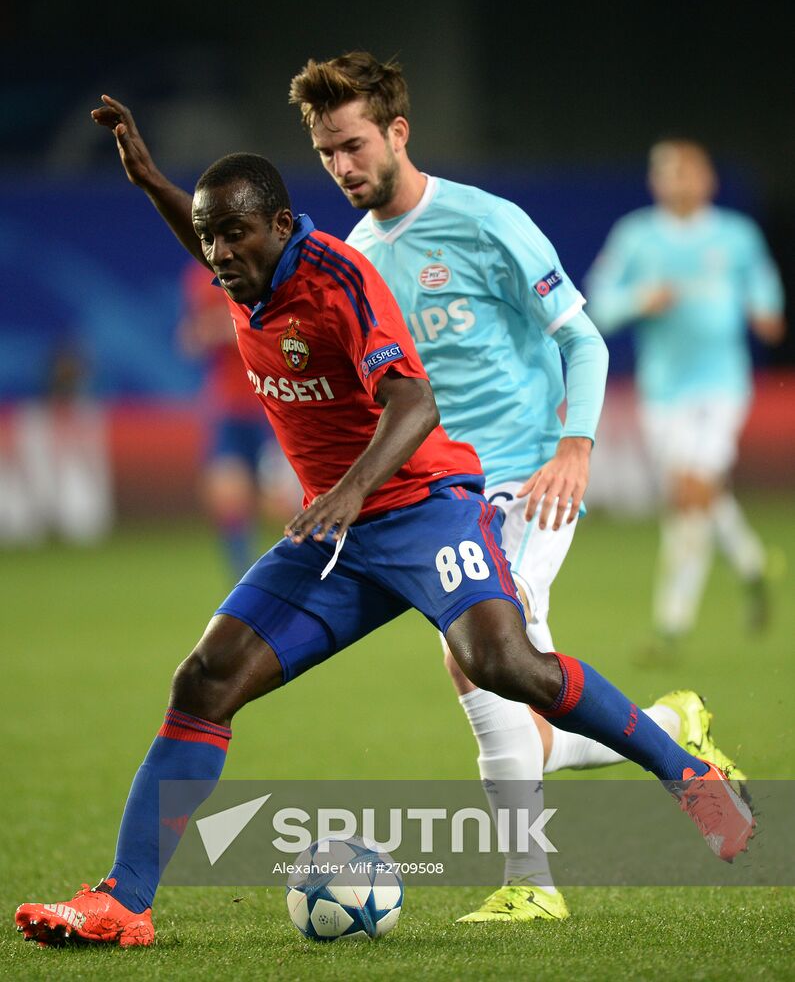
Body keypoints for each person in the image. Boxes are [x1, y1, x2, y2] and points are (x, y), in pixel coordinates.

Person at [15, 98, 753, 949]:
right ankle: (123, 900)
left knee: (501, 664)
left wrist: (349, 491)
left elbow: (414, 399)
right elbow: (212, 239)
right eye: (209, 238)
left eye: (236, 236)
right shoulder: (242, 269)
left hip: (421, 509)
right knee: (204, 680)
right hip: (340, 534)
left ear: (282, 227)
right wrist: (151, 184)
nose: (219, 255)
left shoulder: (335, 279)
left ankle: (688, 775)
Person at [288, 53, 747, 923]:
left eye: (351, 144)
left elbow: (585, 340)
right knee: (502, 676)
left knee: (481, 659)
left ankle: (531, 886)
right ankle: (665, 730)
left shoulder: (487, 220)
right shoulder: (355, 260)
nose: (341, 167)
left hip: (530, 473)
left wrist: (574, 448)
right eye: (324, 154)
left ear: (396, 131)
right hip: (444, 492)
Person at [585, 139, 785, 653]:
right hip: (664, 389)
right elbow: (600, 303)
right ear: (657, 183)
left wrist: (766, 310)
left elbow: (763, 286)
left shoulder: (735, 237)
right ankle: (751, 563)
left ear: (707, 179)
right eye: (669, 174)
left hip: (723, 385)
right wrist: (639, 299)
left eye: (688, 172)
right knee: (697, 491)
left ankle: (671, 624)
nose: (679, 182)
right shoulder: (636, 237)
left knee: (688, 491)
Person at [178, 260, 300, 578]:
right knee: (227, 495)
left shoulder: (269, 266)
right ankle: (244, 579)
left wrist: (228, 328)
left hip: (270, 402)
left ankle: (310, 567)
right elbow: (191, 336)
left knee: (283, 500)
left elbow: (277, 329)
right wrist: (208, 332)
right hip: (228, 408)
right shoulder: (198, 277)